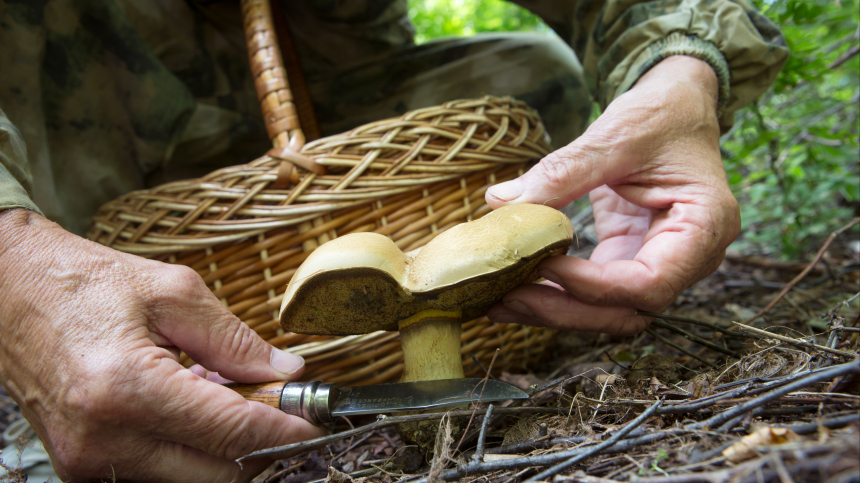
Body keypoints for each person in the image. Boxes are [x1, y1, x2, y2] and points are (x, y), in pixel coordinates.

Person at [0, 0, 787, 481]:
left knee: (531, 65)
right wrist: (14, 262)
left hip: (363, 145)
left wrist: (683, 74)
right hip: (107, 200)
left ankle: (430, 422)